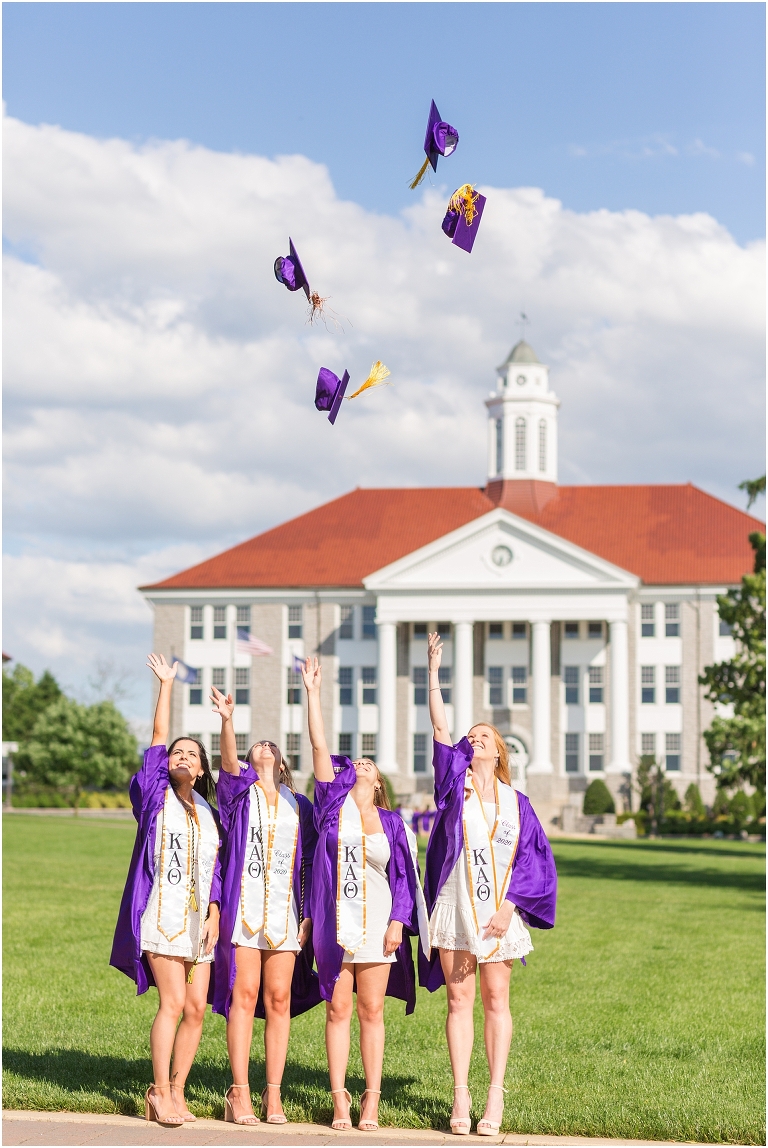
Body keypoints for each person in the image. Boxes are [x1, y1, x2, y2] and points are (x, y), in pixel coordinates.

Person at [422, 632, 557, 1137]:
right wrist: (434, 671)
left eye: (484, 734)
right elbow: (439, 724)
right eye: (470, 735)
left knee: (497, 1000)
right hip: (459, 907)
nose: (474, 737)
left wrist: (511, 908)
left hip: (500, 912)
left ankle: (494, 1097)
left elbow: (533, 860)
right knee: (459, 1001)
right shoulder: (452, 793)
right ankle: (461, 1096)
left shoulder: (516, 801)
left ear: (499, 748)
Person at [302, 656, 422, 1134]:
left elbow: (403, 881)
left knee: (372, 1011)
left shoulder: (393, 824)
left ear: (379, 782)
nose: (359, 765)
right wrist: (312, 693)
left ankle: (371, 1097)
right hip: (335, 925)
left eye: (367, 764)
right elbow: (318, 745)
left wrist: (399, 922)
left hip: (377, 927)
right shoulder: (332, 811)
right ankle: (339, 1099)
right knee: (337, 1008)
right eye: (355, 764)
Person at [110, 653, 221, 1127]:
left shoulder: (209, 812)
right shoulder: (155, 798)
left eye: (191, 754)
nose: (182, 757)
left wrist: (216, 910)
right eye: (178, 752)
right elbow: (157, 744)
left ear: (200, 770)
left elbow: (216, 867)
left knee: (196, 1009)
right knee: (173, 1003)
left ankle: (177, 1090)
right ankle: (157, 1091)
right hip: (162, 912)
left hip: (200, 921)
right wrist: (166, 686)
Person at [210, 686, 321, 1126]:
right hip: (244, 909)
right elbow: (226, 764)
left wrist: (309, 911)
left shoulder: (301, 806)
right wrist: (227, 719)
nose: (265, 746)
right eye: (257, 745)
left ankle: (273, 1095)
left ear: (282, 762)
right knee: (245, 994)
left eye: (271, 746)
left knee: (279, 1000)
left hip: (286, 912)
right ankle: (239, 1093)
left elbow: (311, 862)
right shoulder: (239, 797)